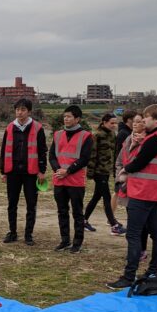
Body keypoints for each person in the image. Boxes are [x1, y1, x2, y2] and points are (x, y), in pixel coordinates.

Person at [107, 103, 157, 290]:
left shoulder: (155, 138)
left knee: (134, 234)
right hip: (156, 192)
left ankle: (129, 276)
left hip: (143, 191)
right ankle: (153, 271)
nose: (144, 120)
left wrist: (125, 171)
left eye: (147, 117)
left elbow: (140, 161)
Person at [0, 98, 47, 246]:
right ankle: (12, 232)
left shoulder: (38, 128)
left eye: (23, 110)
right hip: (13, 172)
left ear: (29, 111)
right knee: (11, 204)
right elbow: (3, 151)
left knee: (31, 204)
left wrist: (41, 170)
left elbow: (42, 151)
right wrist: (3, 171)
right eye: (17, 109)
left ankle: (28, 234)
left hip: (31, 173)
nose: (20, 112)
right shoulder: (9, 128)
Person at [48, 105, 93, 253]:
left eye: (69, 117)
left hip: (75, 181)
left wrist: (68, 171)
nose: (66, 119)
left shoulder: (86, 136)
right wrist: (58, 170)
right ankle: (64, 240)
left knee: (77, 212)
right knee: (62, 211)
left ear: (77, 119)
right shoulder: (58, 134)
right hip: (59, 179)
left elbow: (84, 159)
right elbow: (52, 156)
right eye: (65, 116)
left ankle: (77, 242)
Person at [114, 112, 149, 265]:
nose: (136, 124)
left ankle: (141, 250)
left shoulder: (148, 141)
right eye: (134, 122)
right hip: (126, 184)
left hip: (140, 186)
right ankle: (134, 249)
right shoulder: (128, 139)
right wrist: (120, 177)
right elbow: (120, 161)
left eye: (140, 122)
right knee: (131, 218)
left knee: (141, 221)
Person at [83, 113, 125, 236]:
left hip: (106, 171)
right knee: (106, 197)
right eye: (111, 123)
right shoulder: (97, 135)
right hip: (98, 171)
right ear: (104, 122)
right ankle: (114, 225)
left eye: (115, 123)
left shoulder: (112, 135)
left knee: (96, 196)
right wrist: (90, 173)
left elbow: (113, 154)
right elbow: (92, 155)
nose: (114, 125)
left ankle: (83, 220)